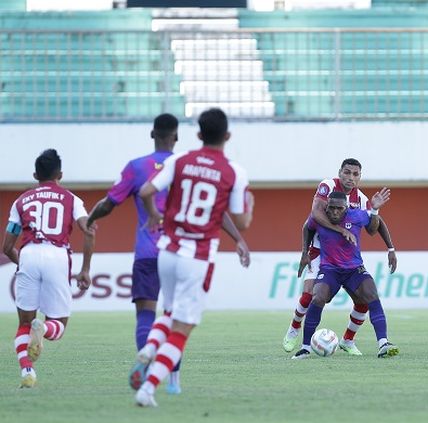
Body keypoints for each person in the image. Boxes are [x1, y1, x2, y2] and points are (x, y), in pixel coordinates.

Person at [87, 114, 250, 395]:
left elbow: (118, 200)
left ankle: (147, 353)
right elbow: (227, 214)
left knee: (148, 315)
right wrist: (239, 236)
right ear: (227, 136)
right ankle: (167, 381)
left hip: (156, 251)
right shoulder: (227, 170)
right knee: (180, 323)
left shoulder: (160, 165)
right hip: (196, 255)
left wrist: (92, 218)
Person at [132, 108, 253, 407]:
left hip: (168, 251)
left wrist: (154, 216)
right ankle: (148, 389)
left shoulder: (178, 160)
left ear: (198, 135)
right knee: (182, 330)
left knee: (170, 313)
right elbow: (242, 221)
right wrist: (250, 204)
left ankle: (149, 347)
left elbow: (146, 191)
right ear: (227, 136)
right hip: (197, 257)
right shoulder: (234, 172)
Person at [283, 158, 398, 356]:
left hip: (348, 261)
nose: (350, 178)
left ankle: (348, 340)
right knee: (311, 295)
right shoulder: (327, 186)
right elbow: (315, 215)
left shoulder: (360, 199)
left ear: (360, 177)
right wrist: (337, 231)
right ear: (340, 172)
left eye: (355, 174)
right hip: (320, 247)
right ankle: (295, 329)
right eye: (346, 173)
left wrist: (390, 247)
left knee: (364, 300)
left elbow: (375, 223)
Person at [2, 149, 95, 388]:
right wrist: (85, 269)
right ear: (60, 174)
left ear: (35, 174)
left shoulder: (20, 201)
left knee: (24, 323)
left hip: (29, 252)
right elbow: (88, 229)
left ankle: (27, 372)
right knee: (59, 326)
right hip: (57, 255)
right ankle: (43, 328)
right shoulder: (72, 199)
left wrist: (23, 263)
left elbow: (7, 246)